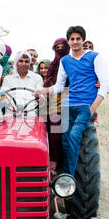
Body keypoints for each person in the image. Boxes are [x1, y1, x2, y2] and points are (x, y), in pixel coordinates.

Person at [36, 25, 109, 179]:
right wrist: (45, 90)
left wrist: (91, 109)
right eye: (72, 39)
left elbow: (106, 85)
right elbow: (59, 86)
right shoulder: (65, 61)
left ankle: (67, 178)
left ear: (83, 40)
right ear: (69, 41)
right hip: (67, 105)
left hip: (85, 106)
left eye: (78, 38)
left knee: (75, 136)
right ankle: (60, 170)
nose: (75, 41)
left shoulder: (94, 57)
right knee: (63, 140)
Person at [43, 39, 70, 176]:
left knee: (58, 133)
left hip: (65, 101)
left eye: (62, 47)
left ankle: (58, 161)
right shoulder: (52, 65)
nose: (60, 50)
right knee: (46, 130)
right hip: (49, 101)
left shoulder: (70, 63)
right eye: (57, 47)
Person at [2, 51, 43, 117]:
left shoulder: (37, 78)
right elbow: (5, 97)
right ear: (16, 63)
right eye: (21, 61)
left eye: (26, 61)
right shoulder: (8, 79)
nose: (23, 64)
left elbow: (40, 95)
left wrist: (39, 97)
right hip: (10, 114)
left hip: (31, 114)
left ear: (30, 63)